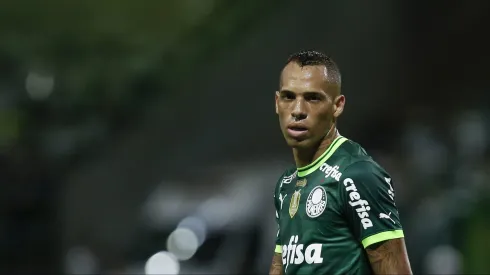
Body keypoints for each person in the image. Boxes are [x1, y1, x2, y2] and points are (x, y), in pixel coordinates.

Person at [269, 50, 412, 275]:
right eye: (289, 97)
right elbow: (281, 265)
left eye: (312, 98)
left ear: (338, 105)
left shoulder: (357, 174)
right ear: (277, 103)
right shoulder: (286, 183)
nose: (297, 111)